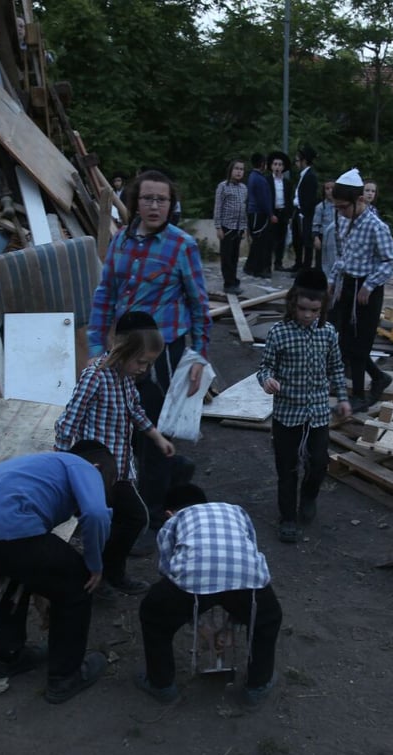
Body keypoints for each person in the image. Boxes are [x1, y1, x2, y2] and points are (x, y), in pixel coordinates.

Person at [0, 443, 118, 704]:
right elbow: (97, 513)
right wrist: (94, 564)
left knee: (9, 579)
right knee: (77, 581)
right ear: (98, 468)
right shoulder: (81, 465)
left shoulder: (37, 468)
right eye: (108, 483)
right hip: (3, 524)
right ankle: (65, 677)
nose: (105, 491)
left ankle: (7, 657)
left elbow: (28, 556)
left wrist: (41, 589)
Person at [87, 169, 210, 540]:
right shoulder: (121, 242)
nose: (154, 206)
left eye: (162, 199)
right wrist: (96, 347)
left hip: (163, 352)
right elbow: (105, 294)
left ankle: (150, 516)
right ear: (134, 202)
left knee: (152, 432)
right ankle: (174, 471)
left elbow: (199, 303)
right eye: (147, 198)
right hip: (124, 350)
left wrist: (199, 358)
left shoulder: (182, 245)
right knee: (123, 426)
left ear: (171, 205)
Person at [55, 312, 177, 594]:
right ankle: (91, 579)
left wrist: (157, 437)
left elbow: (134, 410)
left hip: (121, 468)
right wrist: (61, 461)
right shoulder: (95, 377)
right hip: (96, 470)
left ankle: (112, 571)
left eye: (149, 364)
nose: (144, 369)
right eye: (141, 361)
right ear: (123, 350)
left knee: (136, 518)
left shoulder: (125, 377)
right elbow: (68, 421)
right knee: (101, 525)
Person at [134, 484, 282, 708]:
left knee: (153, 614)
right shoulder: (234, 510)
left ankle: (161, 684)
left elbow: (166, 567)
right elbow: (250, 543)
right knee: (267, 619)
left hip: (193, 579)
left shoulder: (174, 520)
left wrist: (178, 604)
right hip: (247, 577)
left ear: (169, 512)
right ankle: (258, 685)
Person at [258, 270, 352, 542]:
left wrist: (343, 398)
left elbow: (335, 367)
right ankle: (287, 517)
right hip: (287, 414)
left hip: (318, 414)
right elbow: (265, 367)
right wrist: (268, 380)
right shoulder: (279, 333)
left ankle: (309, 497)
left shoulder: (328, 333)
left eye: (314, 310)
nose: (307, 315)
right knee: (287, 468)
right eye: (302, 309)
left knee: (320, 463)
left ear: (322, 307)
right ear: (291, 304)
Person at [327, 168, 393, 412]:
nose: (340, 212)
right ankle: (379, 377)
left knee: (360, 344)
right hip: (346, 286)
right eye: (337, 207)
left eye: (343, 207)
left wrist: (370, 284)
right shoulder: (346, 222)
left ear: (359, 201)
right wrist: (332, 279)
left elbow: (391, 260)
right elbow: (344, 255)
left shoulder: (375, 226)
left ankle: (358, 394)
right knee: (345, 342)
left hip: (365, 292)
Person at [214, 158, 248, 295]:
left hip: (238, 227)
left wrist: (245, 227)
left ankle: (234, 280)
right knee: (226, 256)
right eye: (237, 169)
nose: (239, 172)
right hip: (226, 227)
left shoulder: (244, 188)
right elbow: (218, 207)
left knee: (234, 256)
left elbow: (244, 208)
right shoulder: (223, 186)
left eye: (241, 169)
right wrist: (218, 227)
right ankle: (228, 283)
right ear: (231, 170)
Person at [244, 153, 274, 278]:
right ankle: (256, 268)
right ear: (262, 163)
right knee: (260, 242)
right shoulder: (260, 179)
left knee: (257, 241)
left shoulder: (253, 176)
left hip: (254, 213)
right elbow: (263, 199)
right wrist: (270, 214)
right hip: (259, 214)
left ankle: (251, 267)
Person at [291, 145, 319, 271]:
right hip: (298, 210)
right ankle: (298, 264)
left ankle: (305, 267)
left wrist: (303, 212)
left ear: (304, 161)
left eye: (297, 160)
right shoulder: (303, 175)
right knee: (296, 238)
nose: (296, 163)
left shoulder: (310, 176)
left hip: (305, 213)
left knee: (306, 241)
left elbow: (309, 198)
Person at [267, 151, 295, 272]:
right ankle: (267, 263)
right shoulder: (267, 180)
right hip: (272, 212)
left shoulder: (287, 183)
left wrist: (289, 215)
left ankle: (278, 263)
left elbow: (289, 199)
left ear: (283, 167)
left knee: (281, 239)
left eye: (280, 165)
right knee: (270, 239)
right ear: (272, 166)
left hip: (283, 213)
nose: (277, 167)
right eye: (275, 164)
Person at [311, 179, 338, 278]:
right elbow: (315, 224)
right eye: (327, 188)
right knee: (322, 261)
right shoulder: (320, 206)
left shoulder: (341, 205)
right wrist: (316, 238)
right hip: (324, 236)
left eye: (332, 188)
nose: (330, 191)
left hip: (337, 236)